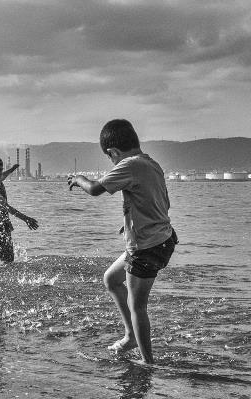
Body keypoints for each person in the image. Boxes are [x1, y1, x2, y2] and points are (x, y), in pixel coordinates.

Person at [68, 119, 177, 364]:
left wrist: (79, 179)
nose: (112, 163)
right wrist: (131, 220)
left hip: (146, 247)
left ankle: (147, 361)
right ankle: (130, 336)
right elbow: (162, 202)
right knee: (111, 279)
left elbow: (95, 189)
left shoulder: (129, 165)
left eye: (110, 159)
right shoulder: (151, 163)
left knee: (137, 305)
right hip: (162, 239)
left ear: (113, 152)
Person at [0, 156, 38, 263]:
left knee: (8, 259)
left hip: (3, 223)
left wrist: (12, 169)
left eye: (0, 170)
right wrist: (26, 218)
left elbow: (4, 175)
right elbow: (6, 206)